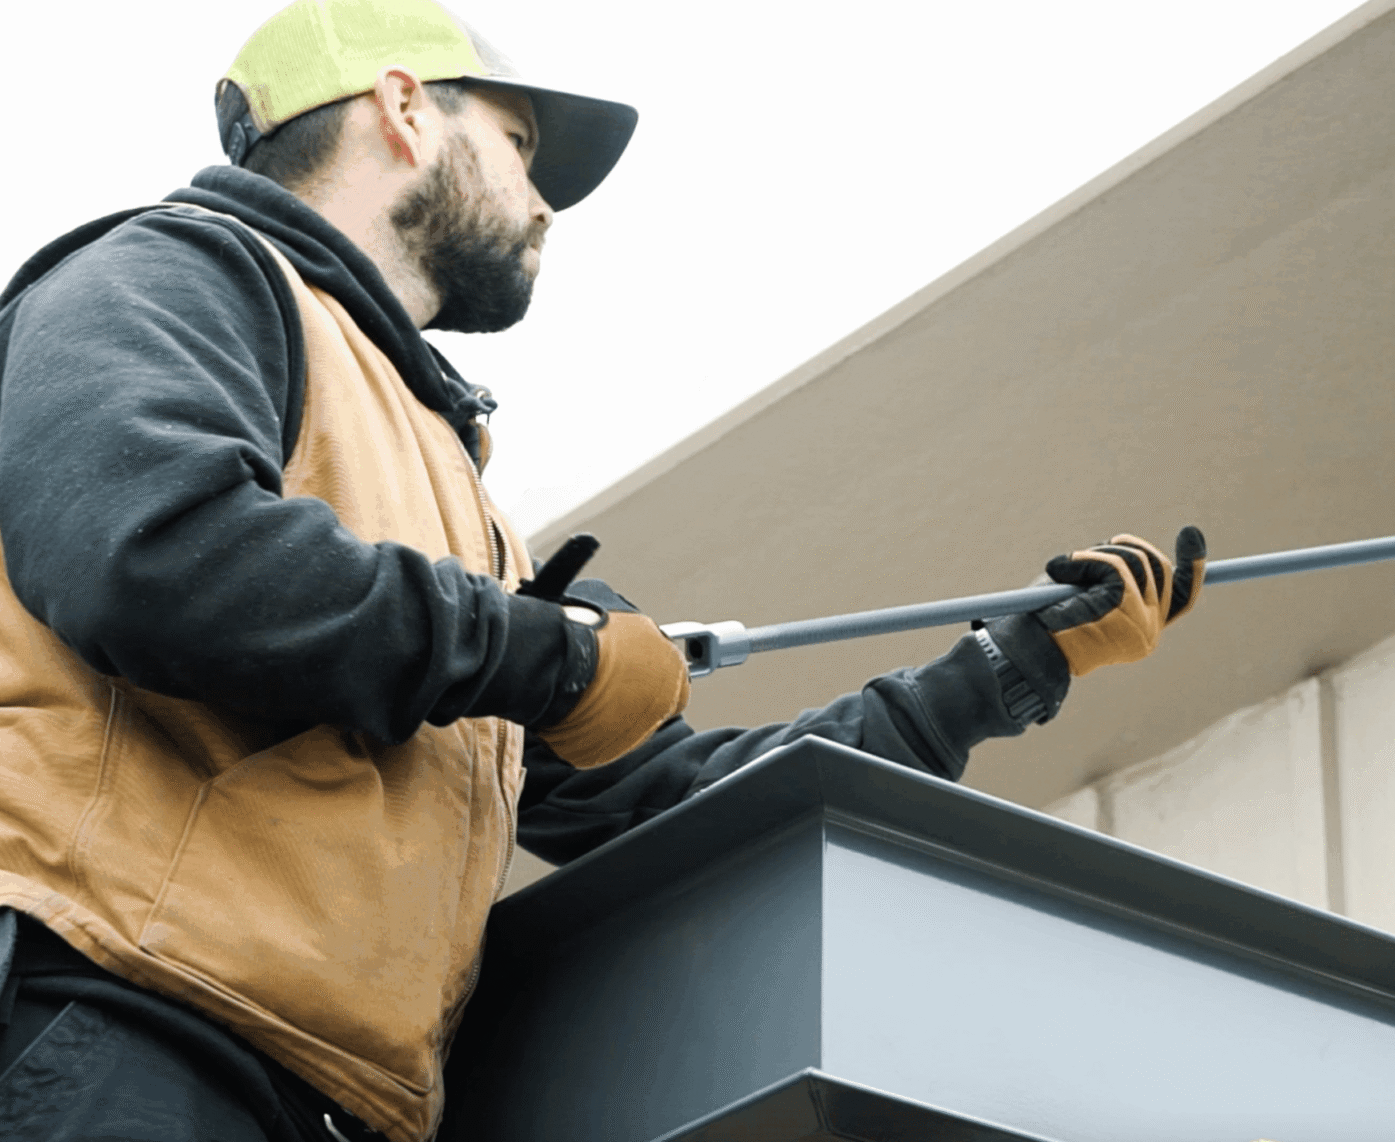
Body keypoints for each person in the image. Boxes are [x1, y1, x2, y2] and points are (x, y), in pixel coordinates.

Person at [0, 2, 1205, 1140]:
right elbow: (155, 553)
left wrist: (1004, 670)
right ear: (406, 106)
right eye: (520, 145)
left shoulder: (459, 513)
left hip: (310, 1092)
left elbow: (671, 801)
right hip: (107, 1024)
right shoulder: (172, 272)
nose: (544, 204)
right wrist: (554, 653)